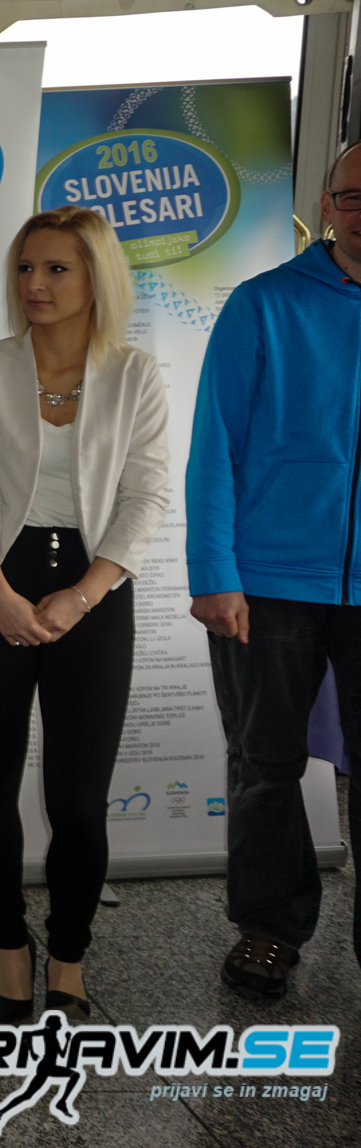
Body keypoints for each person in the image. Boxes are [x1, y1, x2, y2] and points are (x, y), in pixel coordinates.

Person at [0, 206, 170, 1024]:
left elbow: (146, 496)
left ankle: (68, 955)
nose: (35, 284)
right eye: (26, 268)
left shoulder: (135, 375)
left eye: (56, 269)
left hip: (94, 590)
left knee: (77, 802)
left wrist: (85, 593)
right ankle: (11, 947)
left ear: (96, 279)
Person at [188, 139, 361, 999]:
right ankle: (268, 927)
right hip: (266, 583)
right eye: (353, 196)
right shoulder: (263, 304)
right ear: (327, 206)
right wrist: (213, 572)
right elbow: (213, 446)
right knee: (265, 763)